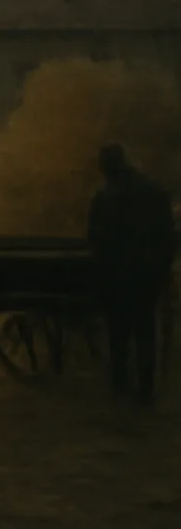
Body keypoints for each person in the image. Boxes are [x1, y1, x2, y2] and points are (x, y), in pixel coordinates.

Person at [87, 143, 176, 404]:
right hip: (146, 273)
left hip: (118, 275)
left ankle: (120, 386)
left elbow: (95, 240)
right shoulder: (153, 191)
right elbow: (168, 238)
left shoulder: (104, 197)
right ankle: (146, 389)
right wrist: (159, 269)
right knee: (145, 331)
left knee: (119, 334)